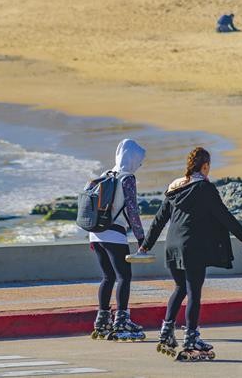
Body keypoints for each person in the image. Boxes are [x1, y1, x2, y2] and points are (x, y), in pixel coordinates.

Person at [139, 147, 242, 361]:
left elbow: (159, 219)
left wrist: (146, 246)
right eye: (208, 167)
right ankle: (191, 339)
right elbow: (225, 217)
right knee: (194, 292)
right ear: (204, 166)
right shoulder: (204, 188)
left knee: (180, 288)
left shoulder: (175, 187)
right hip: (193, 248)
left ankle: (166, 332)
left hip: (172, 246)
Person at [90, 139, 147, 341]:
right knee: (124, 276)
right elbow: (132, 211)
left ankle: (102, 320)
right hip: (114, 233)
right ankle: (121, 320)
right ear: (132, 159)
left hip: (95, 234)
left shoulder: (106, 174)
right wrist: (142, 239)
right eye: (139, 160)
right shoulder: (127, 178)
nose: (139, 165)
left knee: (108, 277)